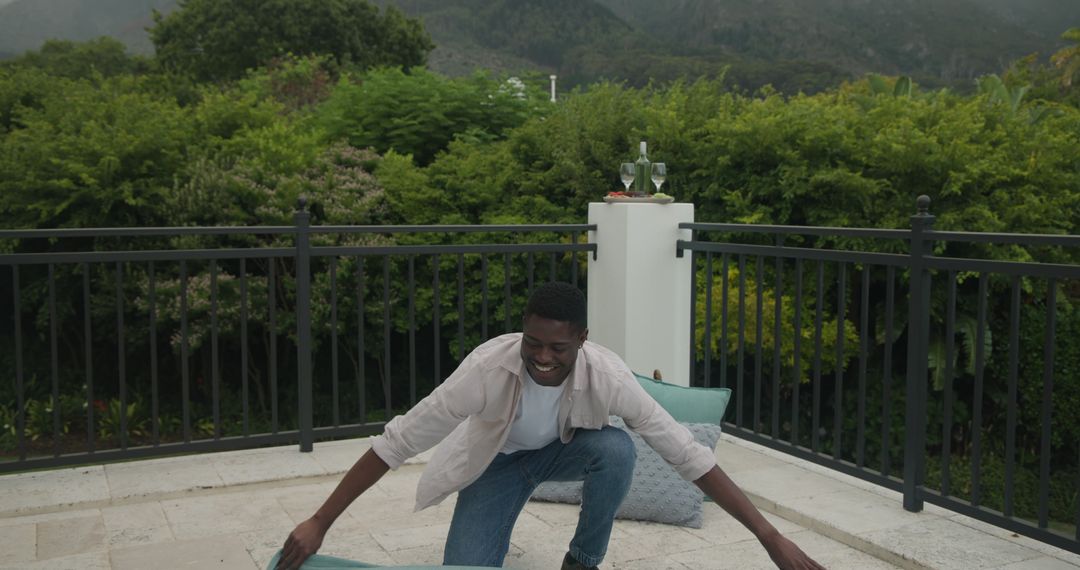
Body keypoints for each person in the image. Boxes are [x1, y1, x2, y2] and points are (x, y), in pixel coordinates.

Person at [277, 282, 824, 570]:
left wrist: (770, 537)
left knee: (618, 449)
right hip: (493, 467)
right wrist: (320, 520)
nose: (541, 357)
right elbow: (397, 442)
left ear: (582, 338)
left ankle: (582, 562)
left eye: (557, 346)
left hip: (563, 454)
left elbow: (688, 455)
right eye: (532, 341)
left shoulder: (608, 376)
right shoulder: (486, 368)